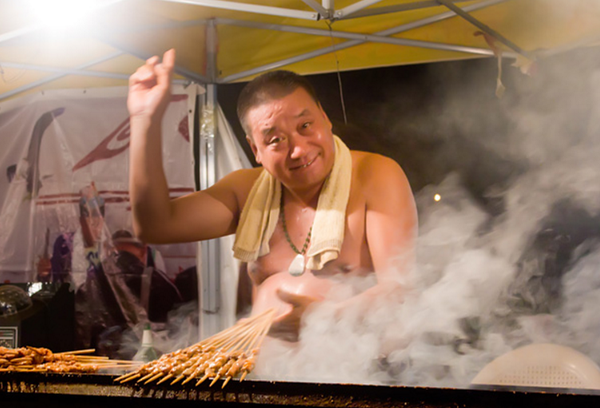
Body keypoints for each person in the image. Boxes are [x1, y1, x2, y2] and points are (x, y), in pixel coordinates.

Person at [127, 49, 417, 341]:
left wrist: (326, 318)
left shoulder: (373, 175)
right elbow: (154, 224)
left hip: (354, 374)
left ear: (325, 119)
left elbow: (401, 291)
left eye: (306, 126)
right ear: (256, 151)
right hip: (271, 376)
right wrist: (144, 119)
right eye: (275, 140)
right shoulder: (246, 190)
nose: (299, 149)